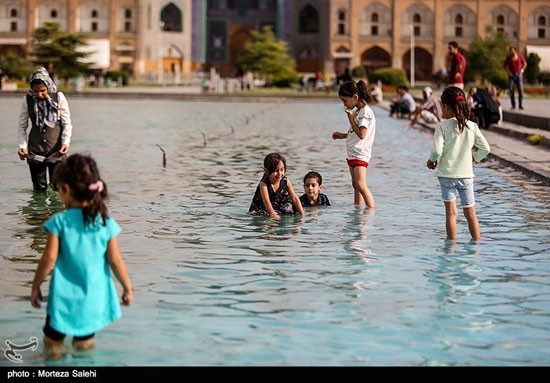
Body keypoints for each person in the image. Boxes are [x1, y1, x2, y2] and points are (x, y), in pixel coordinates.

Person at [30, 154, 133, 355]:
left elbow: (49, 259)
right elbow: (115, 260)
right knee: (84, 346)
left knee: (52, 344)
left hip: (63, 300)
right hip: (93, 299)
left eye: (58, 188)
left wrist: (35, 286)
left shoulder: (59, 222)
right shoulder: (104, 222)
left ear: (66, 189)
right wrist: (128, 288)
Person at [426, 86, 491, 240]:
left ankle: (451, 247)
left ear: (446, 107)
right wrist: (474, 158)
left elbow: (437, 151)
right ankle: (476, 247)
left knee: (451, 213)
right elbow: (486, 148)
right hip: (466, 175)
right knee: (470, 213)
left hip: (447, 175)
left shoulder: (442, 127)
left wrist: (431, 161)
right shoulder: (472, 126)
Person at [17, 67, 73, 191]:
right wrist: (22, 145)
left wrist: (65, 143)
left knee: (58, 188)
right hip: (35, 151)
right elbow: (22, 125)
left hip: (57, 150)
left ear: (48, 86)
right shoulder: (28, 100)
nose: (39, 94)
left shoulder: (59, 97)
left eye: (42, 91)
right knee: (39, 189)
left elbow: (67, 123)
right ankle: (39, 211)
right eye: (35, 91)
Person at [332, 80, 376, 208]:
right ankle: (358, 208)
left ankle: (371, 211)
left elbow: (362, 134)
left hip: (360, 154)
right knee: (355, 185)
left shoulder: (365, 113)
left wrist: (351, 119)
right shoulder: (358, 111)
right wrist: (342, 135)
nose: (344, 104)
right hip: (352, 153)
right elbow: (355, 133)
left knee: (361, 185)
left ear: (355, 97)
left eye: (345, 101)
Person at [249, 153, 305, 219]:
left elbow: (295, 199)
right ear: (266, 171)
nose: (279, 173)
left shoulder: (286, 181)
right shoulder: (264, 184)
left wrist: (302, 214)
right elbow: (266, 200)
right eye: (276, 170)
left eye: (282, 170)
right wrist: (272, 213)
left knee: (290, 210)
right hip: (263, 208)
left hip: (279, 206)